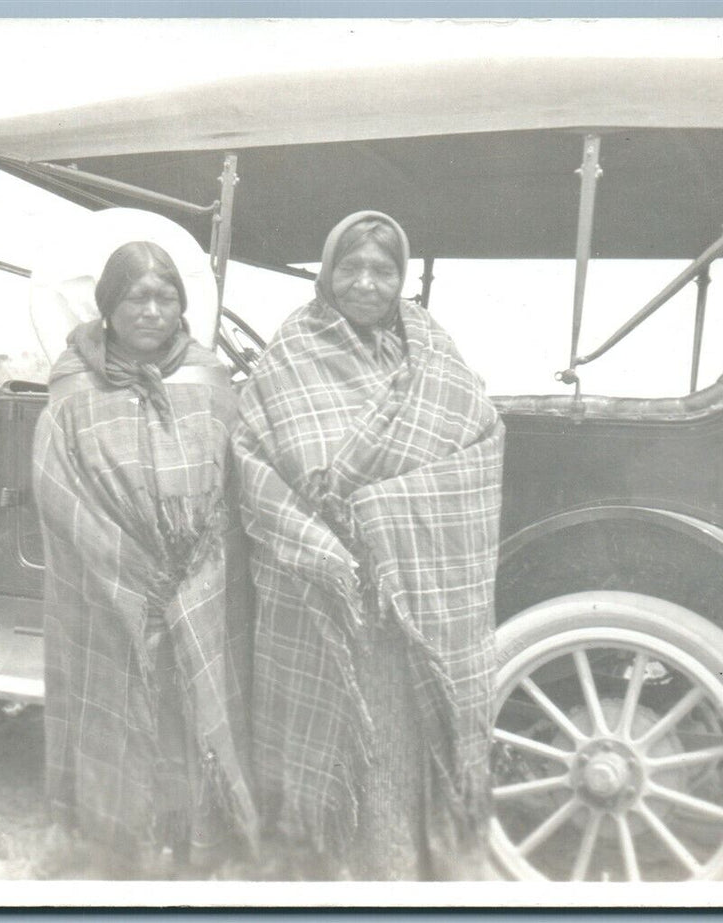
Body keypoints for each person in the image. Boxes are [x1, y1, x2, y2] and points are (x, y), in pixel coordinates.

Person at [233, 212, 504, 880]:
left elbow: (478, 440)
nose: (365, 283)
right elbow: (253, 459)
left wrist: (379, 511)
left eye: (381, 270)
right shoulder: (291, 350)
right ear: (325, 274)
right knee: (329, 750)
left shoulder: (430, 350)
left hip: (406, 597)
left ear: (400, 277)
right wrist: (324, 547)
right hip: (323, 593)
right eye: (349, 268)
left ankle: (401, 872)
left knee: (400, 746)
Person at [32, 241, 257, 877]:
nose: (153, 311)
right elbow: (60, 491)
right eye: (137, 297)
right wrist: (134, 575)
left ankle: (198, 842)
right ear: (108, 307)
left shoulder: (209, 380)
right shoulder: (73, 386)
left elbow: (237, 482)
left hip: (200, 581)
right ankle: (122, 844)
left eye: (166, 298)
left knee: (191, 710)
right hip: (110, 586)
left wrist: (198, 569)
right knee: (120, 705)